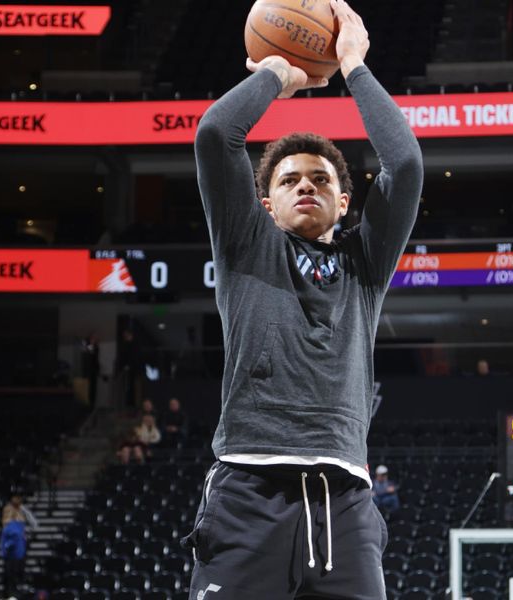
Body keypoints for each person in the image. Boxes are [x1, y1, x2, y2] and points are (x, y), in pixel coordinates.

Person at [182, 1, 423, 597]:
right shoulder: (246, 244)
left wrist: (353, 67)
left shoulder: (365, 265)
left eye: (322, 179)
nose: (306, 186)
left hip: (344, 498)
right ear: (266, 205)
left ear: (346, 203)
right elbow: (217, 134)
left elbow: (406, 163)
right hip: (248, 490)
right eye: (289, 180)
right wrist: (277, 75)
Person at [0, 519, 27, 598]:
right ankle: (10, 593)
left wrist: (7, 546)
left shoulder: (16, 527)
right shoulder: (12, 527)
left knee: (13, 576)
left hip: (15, 556)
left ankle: (12, 593)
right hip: (13, 556)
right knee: (11, 576)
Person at [81, 333, 101, 409]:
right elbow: (88, 350)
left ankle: (92, 404)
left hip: (93, 370)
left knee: (93, 388)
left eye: (94, 339)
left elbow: (94, 355)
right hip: (89, 370)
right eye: (93, 339)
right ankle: (89, 404)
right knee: (89, 387)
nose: (94, 340)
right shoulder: (90, 347)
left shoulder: (95, 348)